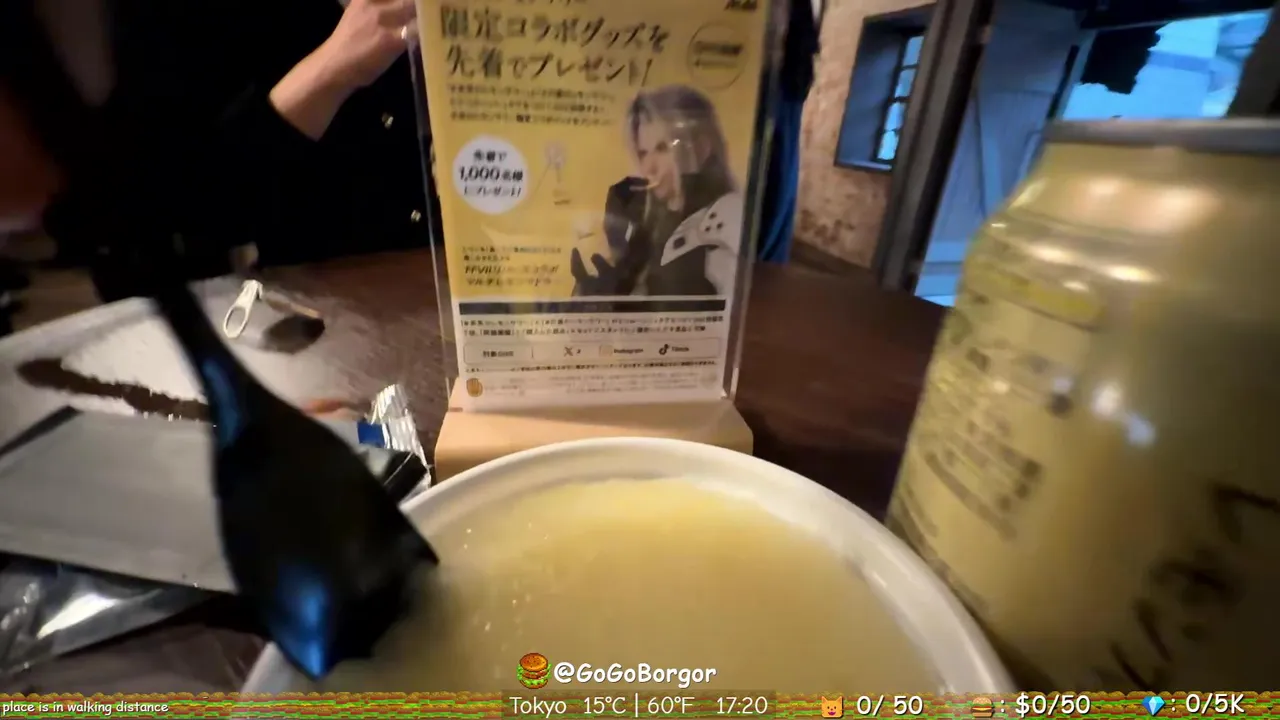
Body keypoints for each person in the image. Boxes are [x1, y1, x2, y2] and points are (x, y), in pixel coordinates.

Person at [0, 0, 442, 302]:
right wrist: (330, 71)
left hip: (468, 306)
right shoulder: (202, 18)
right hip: (328, 319)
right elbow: (182, 208)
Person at [571, 85, 742, 298]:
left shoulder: (725, 221)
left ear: (701, 148)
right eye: (643, 153)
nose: (649, 167)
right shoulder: (649, 225)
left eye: (662, 149)